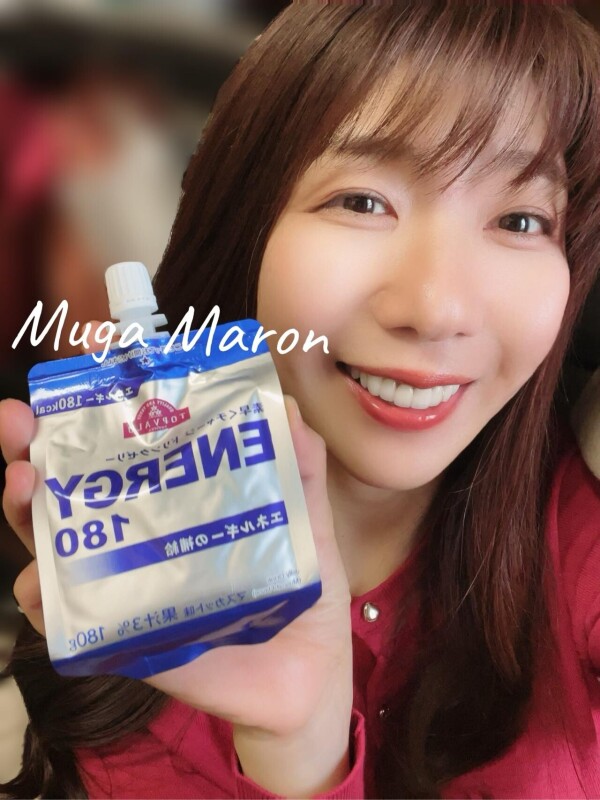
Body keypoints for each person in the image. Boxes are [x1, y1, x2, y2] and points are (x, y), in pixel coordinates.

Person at [1, 1, 600, 797]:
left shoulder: (578, 547)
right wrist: (298, 752)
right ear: (247, 223)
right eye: (362, 202)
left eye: (521, 219)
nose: (436, 309)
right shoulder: (132, 606)